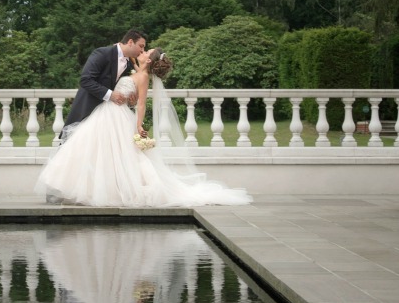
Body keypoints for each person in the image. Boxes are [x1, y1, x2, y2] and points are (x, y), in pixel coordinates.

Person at [36, 47, 251, 207]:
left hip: (118, 116)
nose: (142, 50)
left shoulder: (143, 76)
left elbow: (140, 103)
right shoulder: (133, 69)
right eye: (142, 47)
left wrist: (138, 125)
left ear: (149, 59)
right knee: (96, 151)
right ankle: (78, 188)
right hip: (108, 113)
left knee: (117, 156)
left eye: (145, 50)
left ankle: (110, 191)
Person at [58, 28, 148, 143]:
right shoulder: (102, 53)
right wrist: (110, 95)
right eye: (141, 46)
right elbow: (86, 80)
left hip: (110, 118)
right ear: (130, 42)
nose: (142, 50)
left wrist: (131, 97)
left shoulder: (130, 63)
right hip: (89, 110)